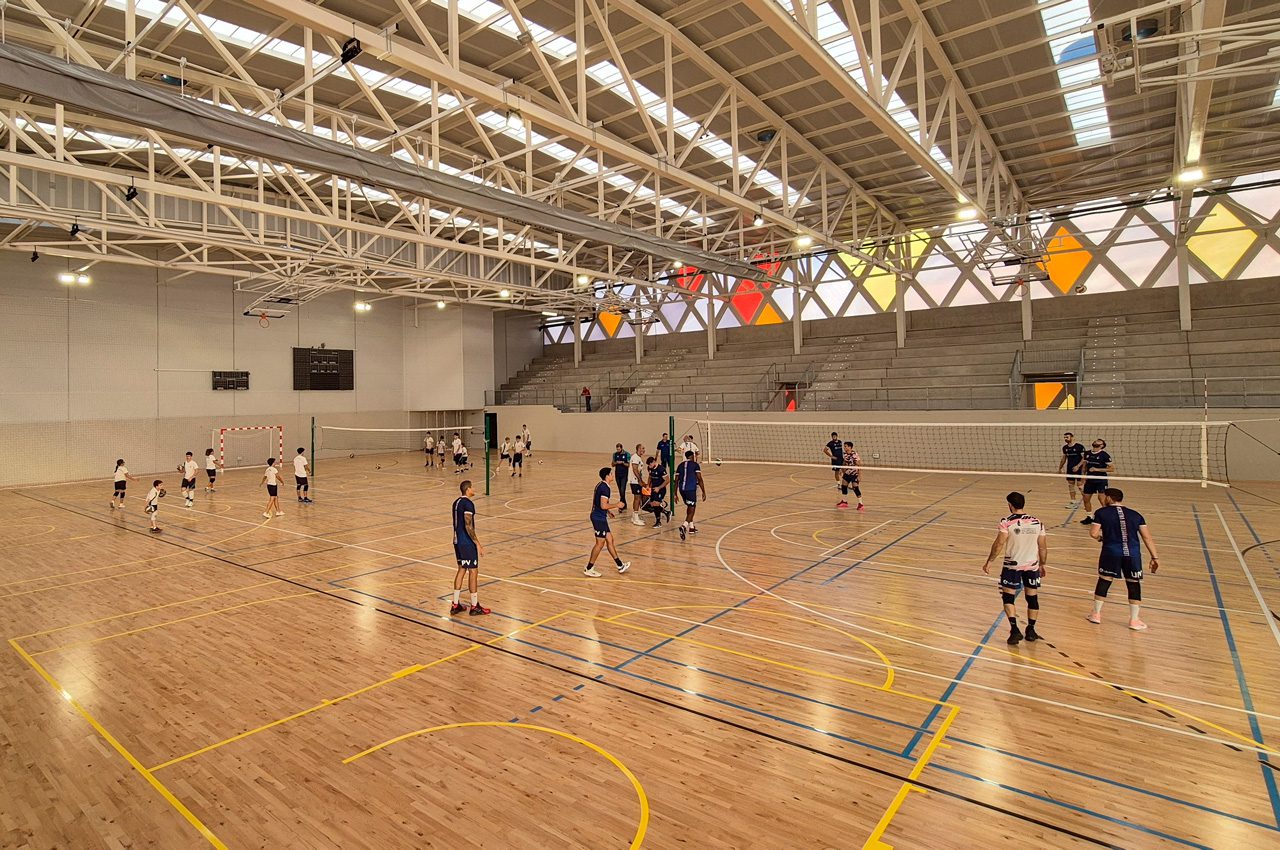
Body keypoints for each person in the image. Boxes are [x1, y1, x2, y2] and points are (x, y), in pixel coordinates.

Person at [1086, 488, 1161, 630]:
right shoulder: (1136, 515)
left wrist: (1101, 538)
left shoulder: (1101, 513)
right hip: (1132, 554)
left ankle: (1096, 614)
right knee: (1133, 583)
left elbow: (1093, 533)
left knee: (1105, 580)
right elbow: (1147, 537)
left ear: (1109, 498)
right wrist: (1154, 557)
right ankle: (1134, 620)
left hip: (1111, 552)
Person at [981, 492, 1048, 645]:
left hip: (1012, 566)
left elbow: (999, 544)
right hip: (1032, 566)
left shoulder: (1006, 522)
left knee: (1008, 597)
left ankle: (1014, 630)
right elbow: (1042, 547)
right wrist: (1043, 564)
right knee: (1032, 597)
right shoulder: (1037, 522)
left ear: (1010, 505)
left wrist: (989, 561)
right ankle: (1030, 630)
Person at [447, 479, 490, 615]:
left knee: (461, 569)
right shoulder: (468, 504)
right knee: (473, 571)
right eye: (472, 488)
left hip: (457, 541)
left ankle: (455, 604)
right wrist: (477, 543)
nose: (474, 489)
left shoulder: (456, 502)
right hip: (466, 543)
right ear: (467, 489)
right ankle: (474, 606)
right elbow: (468, 525)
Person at [585, 467, 631, 577]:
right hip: (598, 518)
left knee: (610, 539)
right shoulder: (605, 488)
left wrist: (608, 512)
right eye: (611, 474)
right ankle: (589, 568)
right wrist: (617, 505)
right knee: (600, 544)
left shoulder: (601, 485)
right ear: (607, 476)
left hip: (600, 516)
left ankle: (620, 565)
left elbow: (600, 503)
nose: (612, 475)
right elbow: (603, 505)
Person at [1077, 439, 1115, 523]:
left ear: (1102, 445)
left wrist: (1097, 469)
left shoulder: (1104, 455)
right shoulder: (1087, 453)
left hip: (1101, 480)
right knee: (1086, 498)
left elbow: (1112, 469)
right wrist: (1082, 479)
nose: (1096, 441)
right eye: (1096, 440)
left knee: (1102, 499)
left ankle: (1106, 519)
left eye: (1099, 441)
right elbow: (1084, 466)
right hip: (1090, 480)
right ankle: (1089, 517)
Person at [674, 450, 707, 541]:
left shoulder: (680, 465)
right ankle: (684, 526)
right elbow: (699, 479)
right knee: (692, 508)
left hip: (682, 490)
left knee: (689, 506)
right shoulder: (695, 465)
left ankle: (691, 527)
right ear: (692, 456)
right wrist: (704, 491)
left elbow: (676, 480)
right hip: (690, 489)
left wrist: (675, 493)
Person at [1057, 432, 1085, 508]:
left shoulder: (1079, 447)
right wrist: (1060, 468)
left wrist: (1078, 466)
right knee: (1071, 485)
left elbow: (1084, 458)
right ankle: (1073, 502)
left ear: (1072, 437)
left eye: (1067, 437)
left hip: (1079, 469)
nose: (1065, 439)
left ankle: (1086, 501)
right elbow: (1064, 458)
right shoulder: (1065, 448)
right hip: (1070, 469)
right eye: (1064, 437)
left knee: (1080, 486)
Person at [838, 441, 864, 510]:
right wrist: (841, 469)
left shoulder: (854, 454)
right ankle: (844, 502)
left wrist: (859, 475)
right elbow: (844, 462)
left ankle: (860, 504)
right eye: (844, 446)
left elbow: (859, 465)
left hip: (854, 473)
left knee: (855, 487)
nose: (844, 447)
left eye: (846, 446)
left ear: (850, 447)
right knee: (844, 485)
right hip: (847, 472)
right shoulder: (844, 454)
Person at [646, 455, 670, 528]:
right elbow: (650, 477)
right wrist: (648, 485)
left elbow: (667, 480)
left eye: (650, 465)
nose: (649, 467)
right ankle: (666, 512)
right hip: (653, 489)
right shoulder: (650, 468)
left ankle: (658, 522)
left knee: (656, 504)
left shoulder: (661, 469)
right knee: (652, 504)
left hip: (660, 490)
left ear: (654, 462)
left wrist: (659, 488)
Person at [629, 443, 647, 525]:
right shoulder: (635, 458)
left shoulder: (638, 458)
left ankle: (634, 517)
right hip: (635, 481)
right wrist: (640, 480)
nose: (644, 450)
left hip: (636, 481)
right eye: (643, 448)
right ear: (638, 449)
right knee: (637, 498)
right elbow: (635, 469)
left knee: (637, 498)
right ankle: (636, 518)